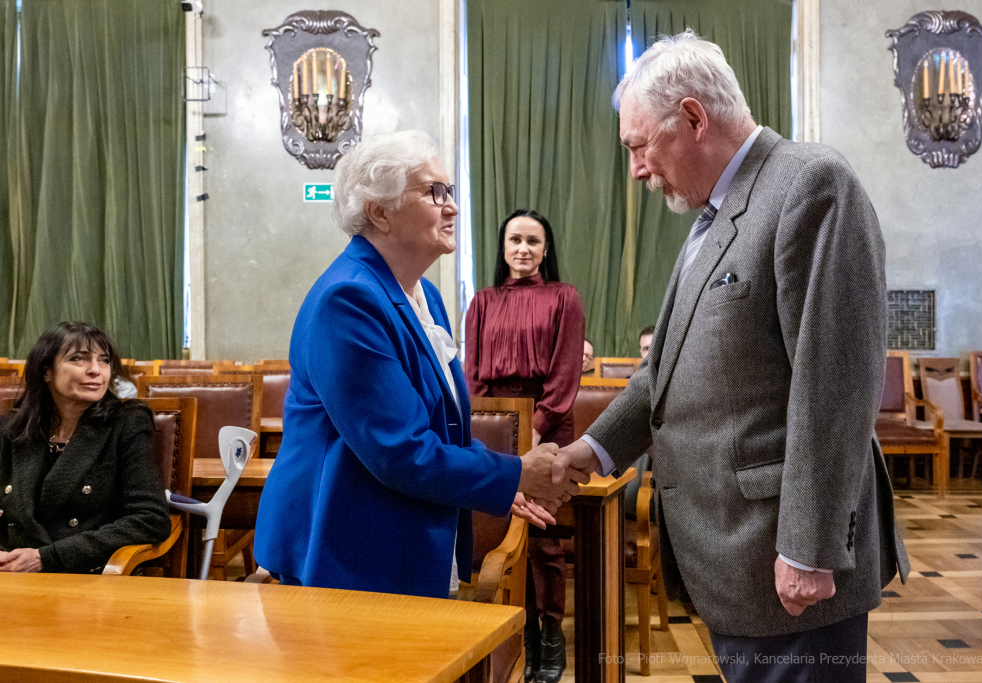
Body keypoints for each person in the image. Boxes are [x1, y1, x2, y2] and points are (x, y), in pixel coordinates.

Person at [554, 30, 909, 683]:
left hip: (786, 559)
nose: (635, 169)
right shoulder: (713, 215)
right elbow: (667, 371)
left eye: (638, 146)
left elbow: (834, 382)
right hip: (734, 554)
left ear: (693, 116)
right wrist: (596, 449)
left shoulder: (808, 184)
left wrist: (807, 543)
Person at [253, 131, 582, 599]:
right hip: (341, 551)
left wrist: (497, 482)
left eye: (450, 192)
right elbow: (399, 450)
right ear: (379, 212)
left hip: (402, 536)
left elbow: (442, 425)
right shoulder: (347, 300)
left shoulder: (423, 294)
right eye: (434, 192)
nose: (451, 206)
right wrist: (512, 473)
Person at [465, 209, 584, 683]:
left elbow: (563, 376)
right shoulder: (482, 301)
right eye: (515, 239)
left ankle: (548, 641)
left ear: (545, 250)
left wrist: (532, 431)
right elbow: (472, 375)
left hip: (547, 427)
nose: (523, 249)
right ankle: (513, 634)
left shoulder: (563, 298)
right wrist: (491, 434)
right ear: (503, 246)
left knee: (544, 540)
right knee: (497, 532)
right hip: (495, 430)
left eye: (533, 241)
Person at [0, 322, 170, 574]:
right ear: (46, 370)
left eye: (103, 361)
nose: (95, 370)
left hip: (88, 573)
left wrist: (47, 557)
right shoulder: (14, 427)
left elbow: (150, 519)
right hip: (13, 571)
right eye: (78, 359)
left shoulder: (126, 422)